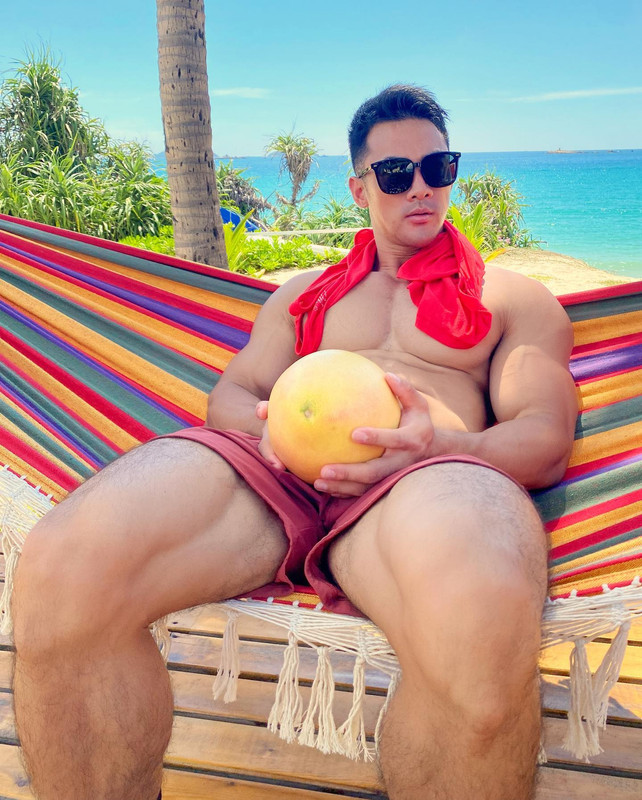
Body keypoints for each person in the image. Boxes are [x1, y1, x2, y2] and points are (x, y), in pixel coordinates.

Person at [11, 84, 578, 800]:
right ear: (359, 187)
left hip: (425, 479)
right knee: (62, 570)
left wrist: (432, 447)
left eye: (439, 168)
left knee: (480, 628)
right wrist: (274, 434)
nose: (421, 188)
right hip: (268, 472)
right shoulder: (302, 294)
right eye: (395, 173)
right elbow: (232, 395)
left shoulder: (511, 298)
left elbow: (543, 437)